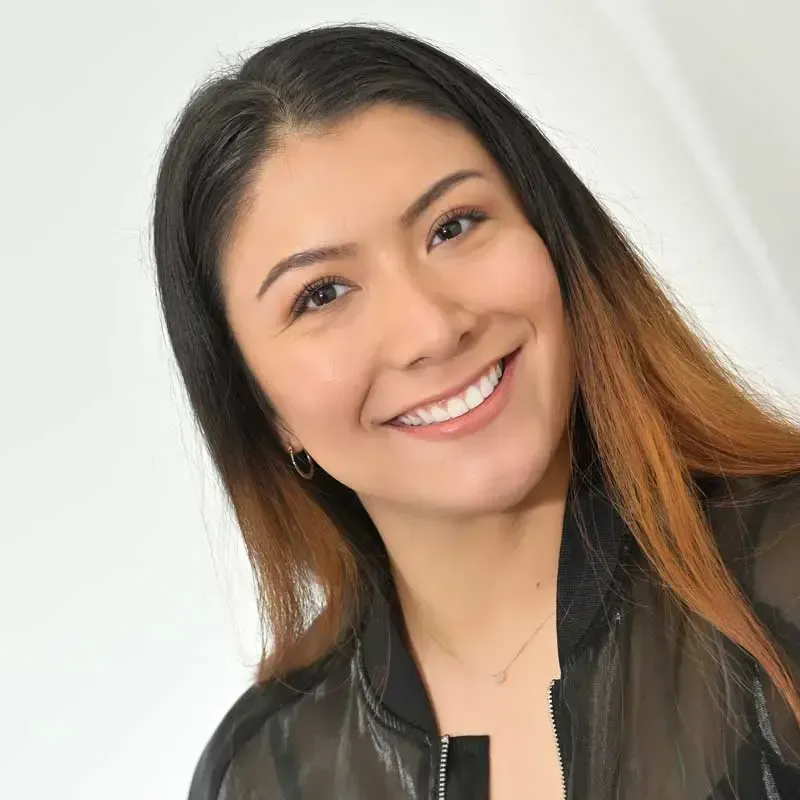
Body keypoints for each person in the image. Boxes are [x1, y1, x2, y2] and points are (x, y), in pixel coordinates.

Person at [151, 23, 800, 800]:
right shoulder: (262, 776)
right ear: (263, 409)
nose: (432, 328)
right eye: (321, 293)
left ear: (554, 241)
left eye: (452, 226)